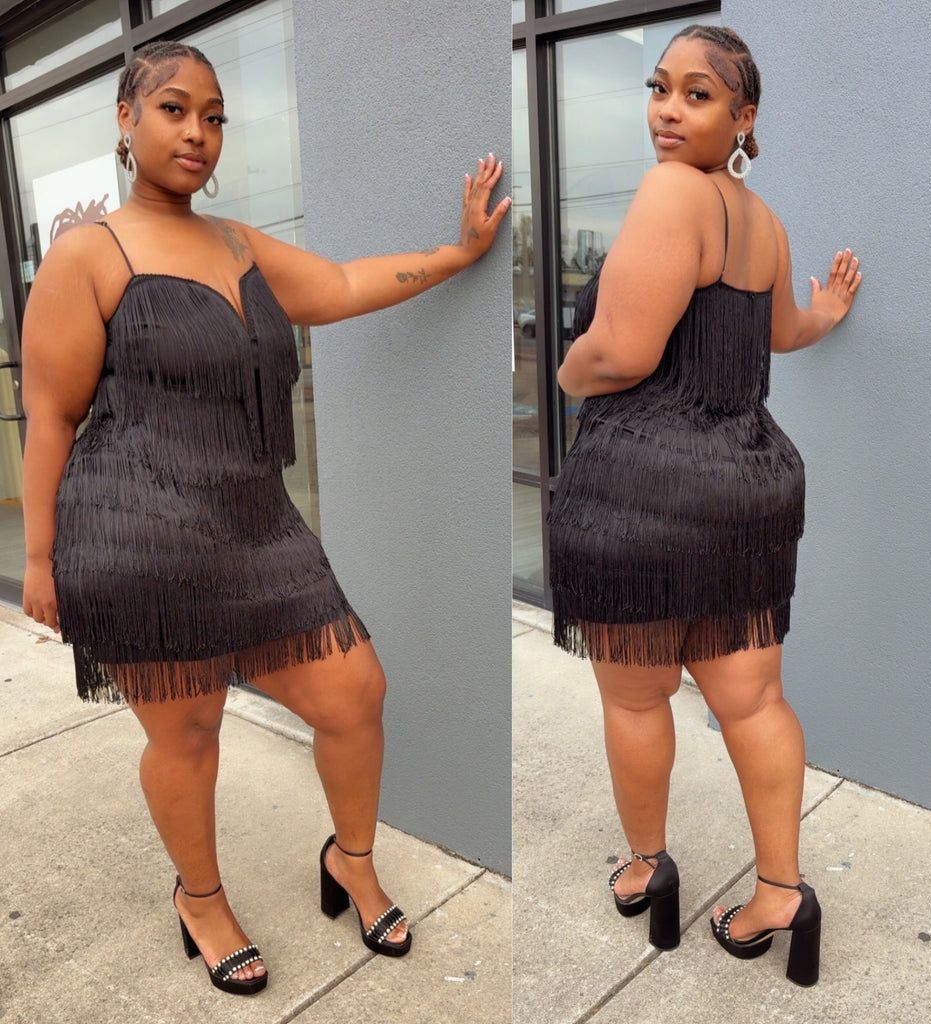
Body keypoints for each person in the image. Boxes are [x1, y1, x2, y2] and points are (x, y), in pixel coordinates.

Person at [20, 40, 508, 996]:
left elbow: (345, 284)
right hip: (138, 534)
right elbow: (51, 416)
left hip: (257, 527)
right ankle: (200, 900)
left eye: (213, 117)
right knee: (187, 732)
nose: (197, 132)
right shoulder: (88, 255)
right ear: (125, 119)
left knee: (354, 692)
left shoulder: (239, 243)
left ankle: (351, 862)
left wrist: (456, 255)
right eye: (173, 109)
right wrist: (40, 560)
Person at [547, 25, 860, 987]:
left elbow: (622, 352)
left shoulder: (671, 192)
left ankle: (649, 868)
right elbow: (783, 332)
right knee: (755, 700)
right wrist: (830, 312)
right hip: (746, 487)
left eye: (697, 94)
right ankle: (782, 893)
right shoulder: (762, 222)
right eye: (659, 88)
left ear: (743, 115)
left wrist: (565, 374)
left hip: (641, 489)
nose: (668, 111)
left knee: (637, 697)